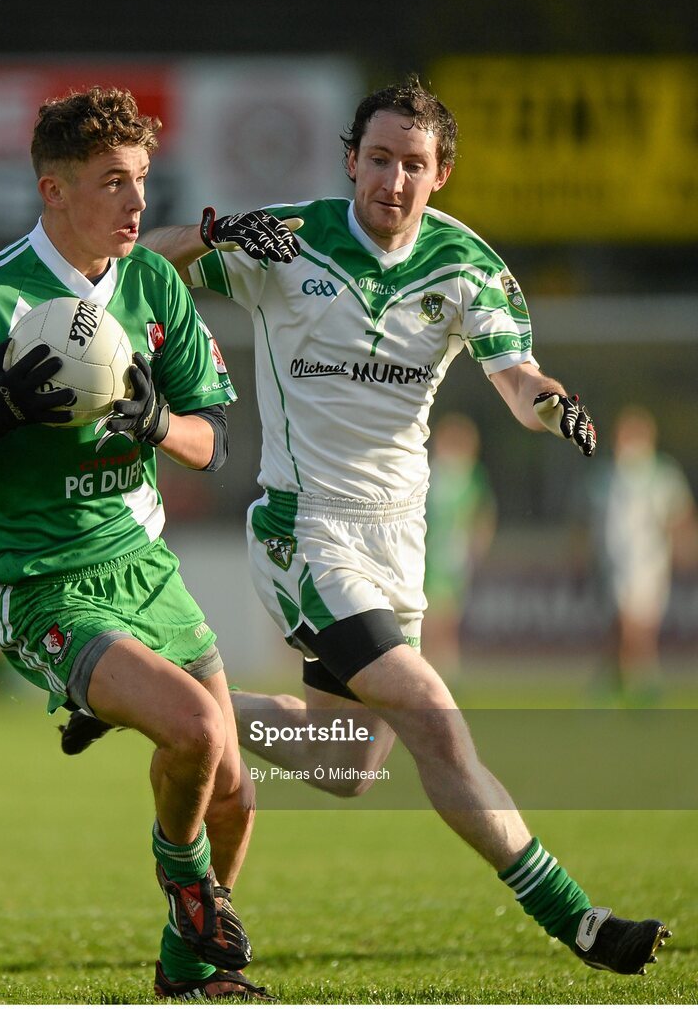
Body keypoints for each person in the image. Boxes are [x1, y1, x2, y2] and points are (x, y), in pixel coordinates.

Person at [65, 78, 669, 977]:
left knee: (348, 764)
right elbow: (147, 262)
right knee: (434, 714)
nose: (393, 179)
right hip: (305, 531)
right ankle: (579, 921)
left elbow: (518, 377)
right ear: (350, 161)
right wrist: (213, 232)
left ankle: (148, 707)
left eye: (412, 164)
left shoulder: (467, 266)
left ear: (442, 175)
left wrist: (557, 407)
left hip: (399, 539)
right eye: (378, 158)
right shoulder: (290, 239)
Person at [0, 86, 301, 1001]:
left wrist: (160, 423)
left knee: (235, 789)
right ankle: (185, 884)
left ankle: (188, 972)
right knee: (196, 730)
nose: (136, 204)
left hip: (145, 569)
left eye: (143, 182)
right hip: (40, 579)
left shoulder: (156, 284)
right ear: (54, 190)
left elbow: (216, 440)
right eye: (113, 183)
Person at [588, 404, 696, 699]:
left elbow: (679, 514)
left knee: (639, 627)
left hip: (650, 562)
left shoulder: (662, 474)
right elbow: (590, 518)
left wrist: (685, 546)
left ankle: (617, 685)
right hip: (614, 562)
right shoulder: (607, 476)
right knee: (626, 624)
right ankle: (643, 686)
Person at [420, 412, 497, 678]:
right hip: (428, 553)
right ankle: (433, 667)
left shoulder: (471, 476)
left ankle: (443, 668)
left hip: (453, 554)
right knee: (431, 614)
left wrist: (477, 546)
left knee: (447, 616)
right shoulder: (430, 472)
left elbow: (483, 513)